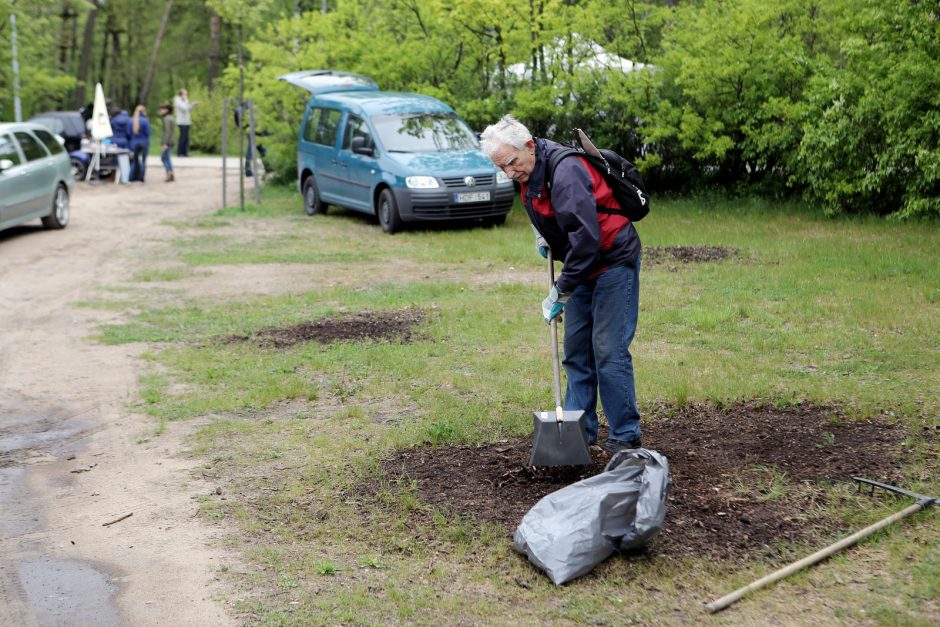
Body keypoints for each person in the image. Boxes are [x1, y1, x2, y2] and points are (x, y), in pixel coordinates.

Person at [480, 115, 643, 453]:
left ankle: (625, 439)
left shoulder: (565, 171)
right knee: (576, 353)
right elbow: (538, 204)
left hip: (612, 259)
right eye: (502, 169)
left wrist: (561, 289)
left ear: (529, 146)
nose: (510, 174)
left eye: (511, 164)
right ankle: (577, 437)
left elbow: (587, 240)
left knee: (608, 351)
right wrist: (543, 235)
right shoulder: (529, 167)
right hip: (582, 265)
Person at [128, 105, 151, 182]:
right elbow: (148, 133)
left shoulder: (131, 120)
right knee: (144, 161)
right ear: (143, 111)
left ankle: (131, 178)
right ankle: (141, 178)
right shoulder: (145, 121)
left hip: (134, 143)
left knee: (134, 161)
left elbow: (128, 133)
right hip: (144, 143)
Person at [173, 88, 197, 157]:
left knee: (186, 138)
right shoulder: (178, 101)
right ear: (181, 95)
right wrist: (191, 104)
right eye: (185, 94)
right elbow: (184, 108)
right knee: (182, 138)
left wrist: (192, 106)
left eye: (186, 94)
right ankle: (180, 153)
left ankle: (185, 153)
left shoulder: (185, 101)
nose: (186, 96)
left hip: (187, 122)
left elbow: (188, 109)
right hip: (181, 122)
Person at [159, 102, 176, 182]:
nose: (161, 110)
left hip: (168, 142)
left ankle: (169, 173)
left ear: (166, 110)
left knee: (164, 158)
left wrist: (165, 143)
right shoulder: (171, 117)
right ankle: (170, 173)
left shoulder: (166, 119)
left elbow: (167, 132)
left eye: (162, 109)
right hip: (171, 141)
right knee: (167, 158)